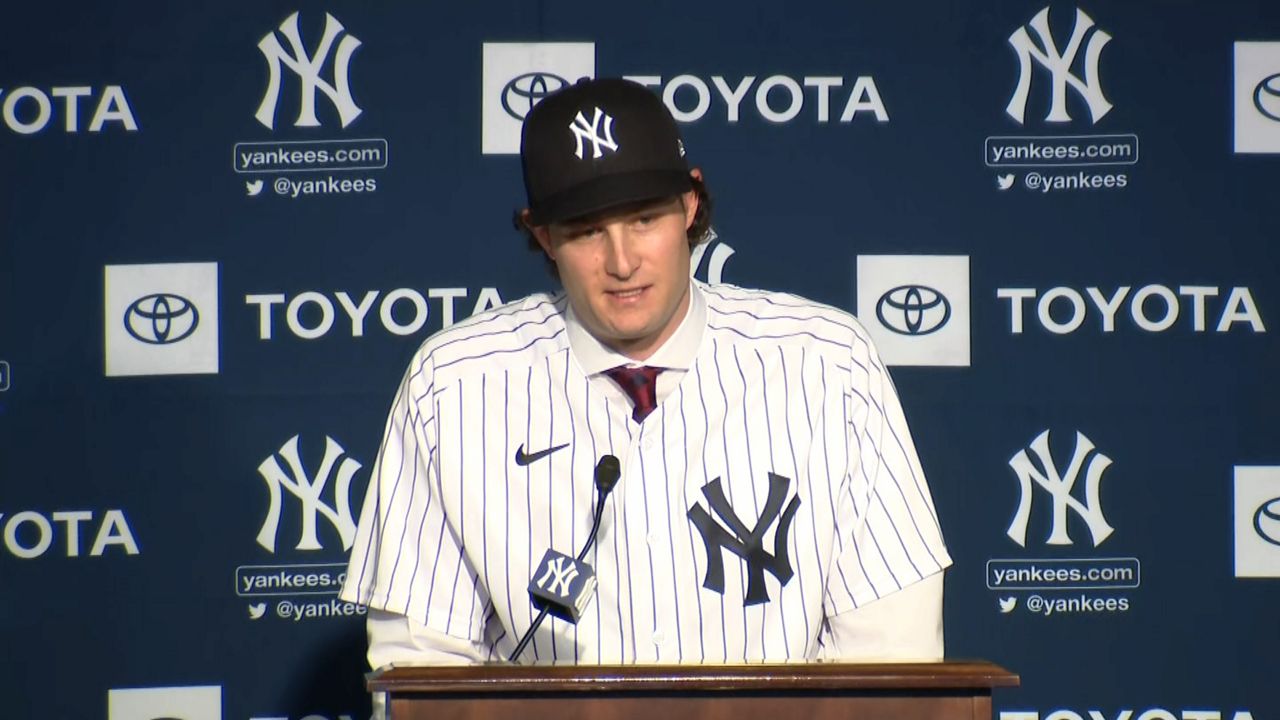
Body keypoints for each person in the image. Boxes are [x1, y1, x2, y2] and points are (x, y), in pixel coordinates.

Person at [339, 78, 951, 695]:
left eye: (644, 218)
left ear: (690, 205)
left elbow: (890, 650)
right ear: (543, 235)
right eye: (585, 230)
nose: (623, 260)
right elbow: (422, 669)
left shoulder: (828, 364)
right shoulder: (454, 386)